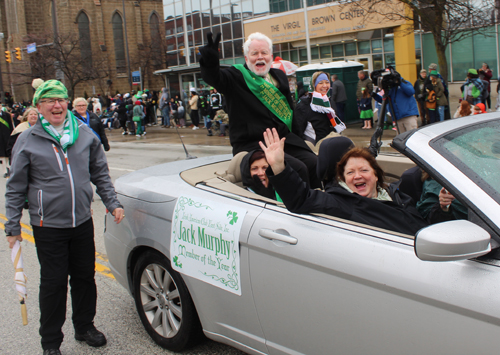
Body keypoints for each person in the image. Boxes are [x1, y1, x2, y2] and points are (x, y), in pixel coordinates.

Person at [5, 80, 125, 355]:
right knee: (54, 283)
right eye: (49, 101)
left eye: (60, 100)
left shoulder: (83, 133)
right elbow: (15, 187)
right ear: (38, 106)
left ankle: (84, 326)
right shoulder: (27, 140)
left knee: (85, 277)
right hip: (48, 226)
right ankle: (50, 342)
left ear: (67, 103)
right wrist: (12, 226)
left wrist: (112, 202)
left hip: (82, 221)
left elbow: (100, 173)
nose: (56, 105)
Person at [200, 31, 320, 187]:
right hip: (253, 144)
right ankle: (295, 206)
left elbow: (290, 111)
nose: (260, 57)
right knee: (298, 169)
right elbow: (214, 78)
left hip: (284, 141)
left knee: (314, 163)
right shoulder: (235, 76)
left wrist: (299, 137)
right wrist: (209, 62)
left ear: (271, 56)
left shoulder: (279, 76)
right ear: (246, 58)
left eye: (264, 52)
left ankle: (317, 201)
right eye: (254, 53)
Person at [259, 127, 428, 235]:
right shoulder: (342, 203)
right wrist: (279, 167)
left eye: (363, 170)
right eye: (350, 173)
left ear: (376, 175)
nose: (357, 176)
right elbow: (301, 199)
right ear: (343, 179)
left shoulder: (396, 193)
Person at [294, 71, 345, 148]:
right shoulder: (304, 105)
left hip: (329, 146)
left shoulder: (328, 102)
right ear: (313, 85)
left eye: (327, 82)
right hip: (314, 150)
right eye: (320, 83)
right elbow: (297, 131)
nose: (325, 86)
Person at [0, 105, 13, 177]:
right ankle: (5, 170)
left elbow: (11, 125)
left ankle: (8, 167)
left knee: (8, 153)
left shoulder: (7, 115)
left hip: (7, 136)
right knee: (1, 155)